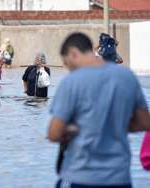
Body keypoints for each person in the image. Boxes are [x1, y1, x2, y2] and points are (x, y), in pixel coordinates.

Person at [48, 33, 150, 188]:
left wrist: (77, 128)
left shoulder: (71, 81)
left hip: (80, 176)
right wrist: (115, 124)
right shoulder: (127, 77)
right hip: (119, 177)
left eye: (67, 63)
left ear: (73, 53)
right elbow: (144, 123)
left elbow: (54, 133)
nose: (68, 68)